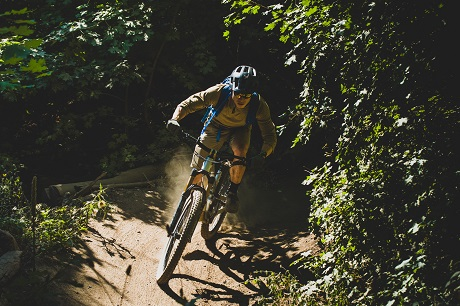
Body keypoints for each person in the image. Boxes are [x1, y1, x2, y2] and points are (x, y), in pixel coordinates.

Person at [166, 65, 277, 213]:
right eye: (237, 94)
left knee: (240, 151)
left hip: (240, 129)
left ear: (252, 93)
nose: (241, 98)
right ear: (232, 89)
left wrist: (263, 154)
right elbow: (188, 104)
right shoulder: (219, 92)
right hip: (215, 126)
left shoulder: (259, 105)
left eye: (246, 95)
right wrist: (174, 119)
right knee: (198, 169)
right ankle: (188, 205)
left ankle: (232, 193)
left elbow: (269, 134)